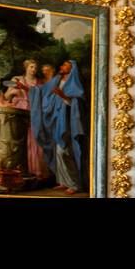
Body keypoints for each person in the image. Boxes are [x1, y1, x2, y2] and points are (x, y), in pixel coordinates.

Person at [39, 60, 86, 195]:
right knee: (58, 150)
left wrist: (63, 96)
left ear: (72, 68)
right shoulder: (57, 80)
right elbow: (43, 91)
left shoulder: (74, 82)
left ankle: (75, 185)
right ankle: (64, 182)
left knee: (65, 151)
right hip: (58, 119)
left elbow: (78, 101)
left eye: (64, 65)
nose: (61, 66)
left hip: (70, 121)